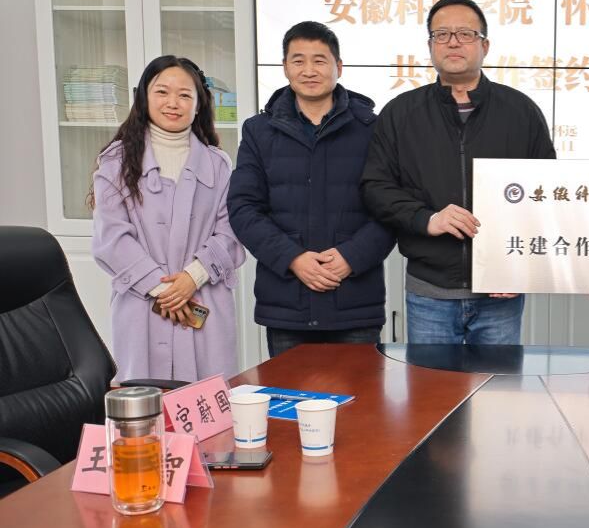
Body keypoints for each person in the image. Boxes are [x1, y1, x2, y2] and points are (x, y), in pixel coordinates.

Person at [360, 0, 555, 344]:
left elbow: (547, 192)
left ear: (485, 46)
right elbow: (376, 186)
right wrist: (426, 218)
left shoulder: (520, 111)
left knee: (497, 381)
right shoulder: (401, 113)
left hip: (500, 291)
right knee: (430, 382)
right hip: (429, 290)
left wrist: (522, 268)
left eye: (465, 34)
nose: (453, 42)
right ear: (430, 46)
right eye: (442, 34)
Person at [228, 22, 395, 357]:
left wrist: (352, 256)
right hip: (288, 303)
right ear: (285, 67)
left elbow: (392, 207)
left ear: (339, 67)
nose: (309, 70)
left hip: (355, 301)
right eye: (298, 60)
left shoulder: (372, 129)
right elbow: (243, 207)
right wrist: (293, 258)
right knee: (288, 393)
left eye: (319, 60)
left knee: (360, 393)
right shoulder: (259, 131)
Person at [91, 55, 245, 382]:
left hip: (204, 298)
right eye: (162, 92)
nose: (173, 103)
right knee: (146, 402)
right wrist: (163, 290)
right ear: (144, 97)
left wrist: (192, 277)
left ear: (199, 105)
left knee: (207, 402)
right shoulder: (116, 162)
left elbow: (231, 232)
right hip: (141, 305)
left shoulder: (218, 164)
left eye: (185, 95)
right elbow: (112, 240)